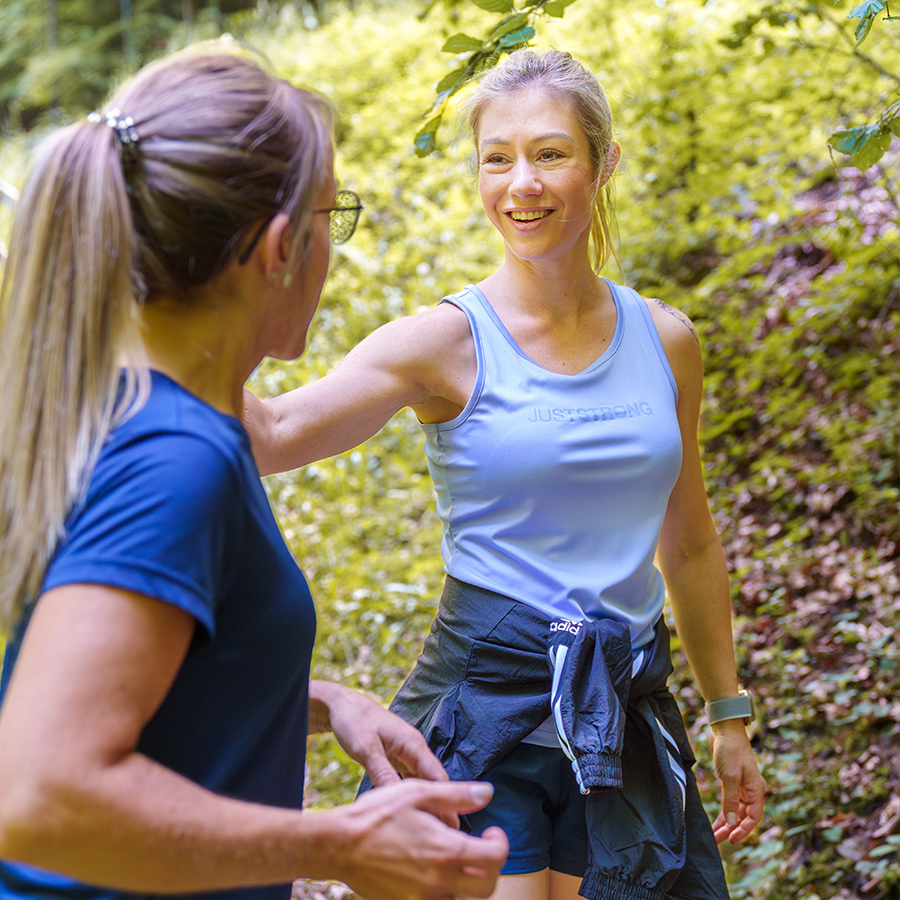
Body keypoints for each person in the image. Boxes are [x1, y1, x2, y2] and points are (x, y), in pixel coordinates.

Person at [243, 47, 768, 900]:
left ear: (602, 163)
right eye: (498, 159)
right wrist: (166, 306)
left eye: (550, 153)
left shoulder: (667, 340)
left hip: (623, 714)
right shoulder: (445, 343)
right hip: (485, 710)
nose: (522, 183)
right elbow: (272, 431)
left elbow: (693, 544)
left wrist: (727, 714)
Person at [0, 49, 510, 900]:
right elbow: (38, 791)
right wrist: (336, 844)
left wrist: (313, 702)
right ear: (281, 247)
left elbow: (145, 677)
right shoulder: (176, 461)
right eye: (330, 216)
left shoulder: (126, 410)